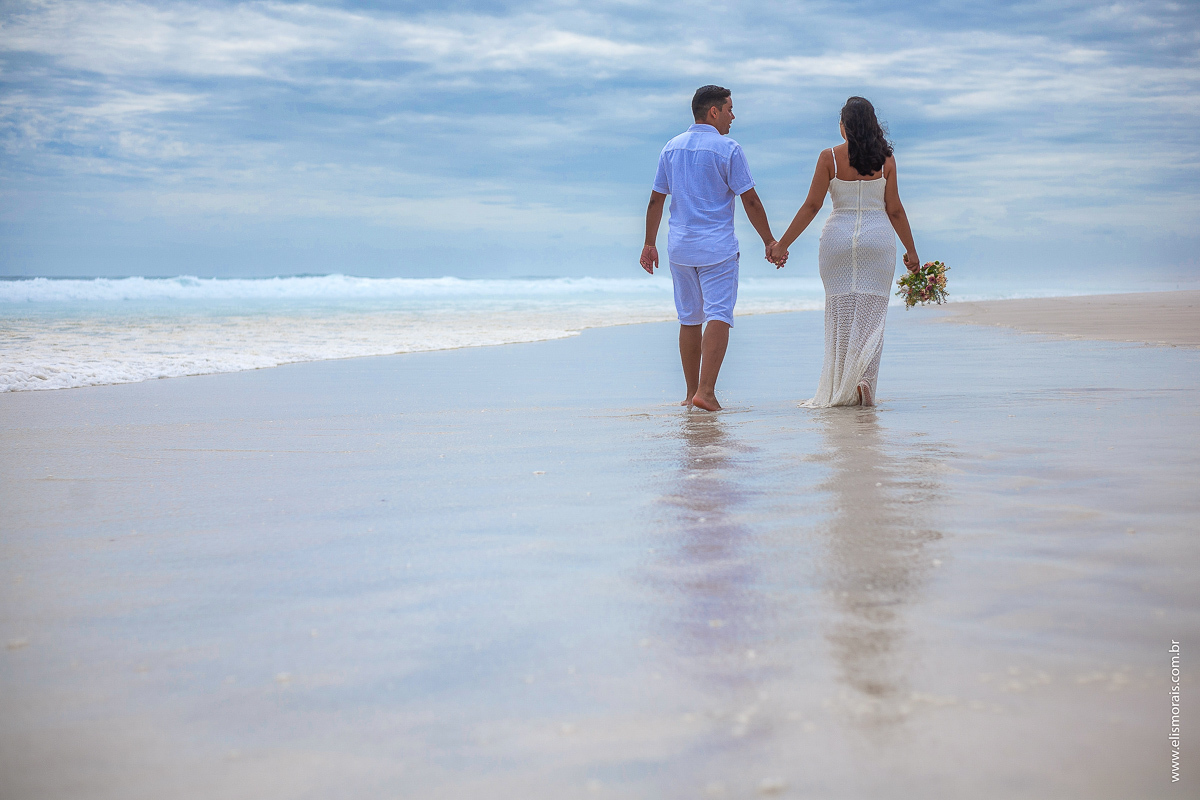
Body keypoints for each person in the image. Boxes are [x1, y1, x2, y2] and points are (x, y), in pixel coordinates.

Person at [641, 85, 784, 411]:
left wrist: (649, 243)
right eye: (730, 109)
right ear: (713, 112)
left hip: (680, 248)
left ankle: (691, 394)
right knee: (719, 314)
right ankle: (706, 392)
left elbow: (655, 200)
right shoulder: (728, 149)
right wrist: (770, 242)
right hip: (717, 249)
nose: (734, 116)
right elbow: (749, 199)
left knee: (689, 318)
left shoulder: (671, 148)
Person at [768, 96, 918, 407]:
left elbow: (812, 206)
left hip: (837, 241)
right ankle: (863, 380)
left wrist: (782, 245)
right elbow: (895, 210)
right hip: (877, 241)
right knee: (872, 314)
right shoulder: (887, 160)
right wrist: (911, 252)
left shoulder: (829, 158)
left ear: (844, 127)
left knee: (841, 315)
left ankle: (842, 386)